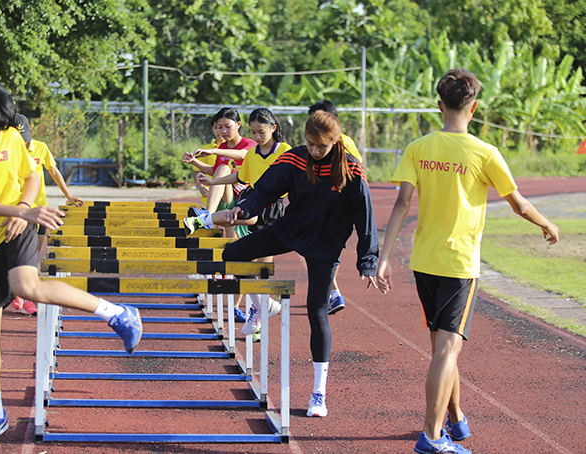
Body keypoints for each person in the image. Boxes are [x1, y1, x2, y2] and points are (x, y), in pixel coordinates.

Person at [0, 82, 143, 448]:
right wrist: (21, 210)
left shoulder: (10, 137)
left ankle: (117, 313)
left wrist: (26, 211)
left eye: (2, 129)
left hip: (19, 226)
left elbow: (32, 176)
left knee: (26, 286)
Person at [376, 69, 559, 454]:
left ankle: (455, 420)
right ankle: (431, 436)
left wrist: (384, 257)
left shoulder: (418, 147)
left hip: (423, 261)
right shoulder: (484, 153)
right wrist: (547, 223)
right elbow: (519, 204)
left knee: (443, 347)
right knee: (447, 350)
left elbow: (402, 203)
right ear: (474, 108)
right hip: (459, 265)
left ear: (439, 106)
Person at [222, 110, 379, 418]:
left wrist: (368, 261)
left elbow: (365, 217)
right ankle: (261, 304)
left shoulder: (350, 168)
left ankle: (318, 393)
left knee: (316, 311)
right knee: (233, 254)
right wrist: (242, 208)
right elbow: (264, 190)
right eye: (310, 143)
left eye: (321, 146)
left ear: (335, 142)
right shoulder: (294, 159)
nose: (315, 150)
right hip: (291, 230)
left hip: (326, 243)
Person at [185, 108, 292, 327]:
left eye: (261, 131)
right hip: (254, 199)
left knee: (261, 265)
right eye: (254, 132)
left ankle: (259, 306)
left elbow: (297, 174)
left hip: (274, 207)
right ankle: (204, 219)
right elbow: (240, 175)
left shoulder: (284, 150)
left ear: (273, 128)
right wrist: (212, 182)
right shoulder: (253, 154)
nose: (258, 136)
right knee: (238, 247)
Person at [8, 114, 85, 316]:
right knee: (22, 254)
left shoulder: (40, 148)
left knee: (35, 253)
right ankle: (22, 295)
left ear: (30, 133)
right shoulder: (6, 151)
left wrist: (68, 195)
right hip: (20, 210)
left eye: (24, 140)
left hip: (40, 209)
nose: (22, 145)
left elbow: (54, 171)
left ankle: (21, 293)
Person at [308, 100, 363, 316]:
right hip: (318, 205)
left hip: (338, 206)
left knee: (327, 251)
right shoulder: (311, 143)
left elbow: (357, 169)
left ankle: (332, 291)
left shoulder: (345, 142)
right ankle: (330, 291)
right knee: (321, 250)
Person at [182, 107, 256, 238]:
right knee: (222, 169)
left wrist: (213, 151)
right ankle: (208, 214)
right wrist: (193, 161)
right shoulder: (223, 146)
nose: (223, 131)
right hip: (227, 194)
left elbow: (241, 154)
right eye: (219, 127)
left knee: (233, 242)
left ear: (238, 125)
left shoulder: (249, 143)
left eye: (228, 126)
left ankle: (207, 216)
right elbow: (215, 171)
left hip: (242, 197)